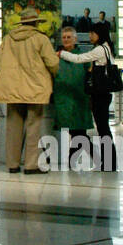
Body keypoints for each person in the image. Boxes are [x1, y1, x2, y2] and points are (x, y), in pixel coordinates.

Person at [0, 7, 59, 174]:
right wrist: (52, 75)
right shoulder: (41, 39)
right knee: (33, 126)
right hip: (36, 89)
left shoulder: (8, 39)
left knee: (13, 127)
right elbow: (53, 63)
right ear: (35, 22)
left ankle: (12, 164)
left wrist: (8, 77)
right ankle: (31, 164)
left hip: (12, 90)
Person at [59, 21, 119, 171]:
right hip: (104, 94)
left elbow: (79, 59)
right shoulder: (107, 48)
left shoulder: (99, 49)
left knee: (103, 129)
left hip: (100, 95)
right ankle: (107, 162)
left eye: (92, 33)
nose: (90, 36)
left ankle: (108, 163)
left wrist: (61, 53)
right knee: (103, 129)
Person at [51, 27, 92, 171]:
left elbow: (88, 73)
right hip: (63, 98)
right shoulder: (55, 57)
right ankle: (78, 160)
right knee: (75, 132)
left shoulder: (82, 56)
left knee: (79, 132)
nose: (66, 40)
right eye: (64, 37)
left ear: (75, 39)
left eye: (69, 37)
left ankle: (74, 161)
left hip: (80, 98)